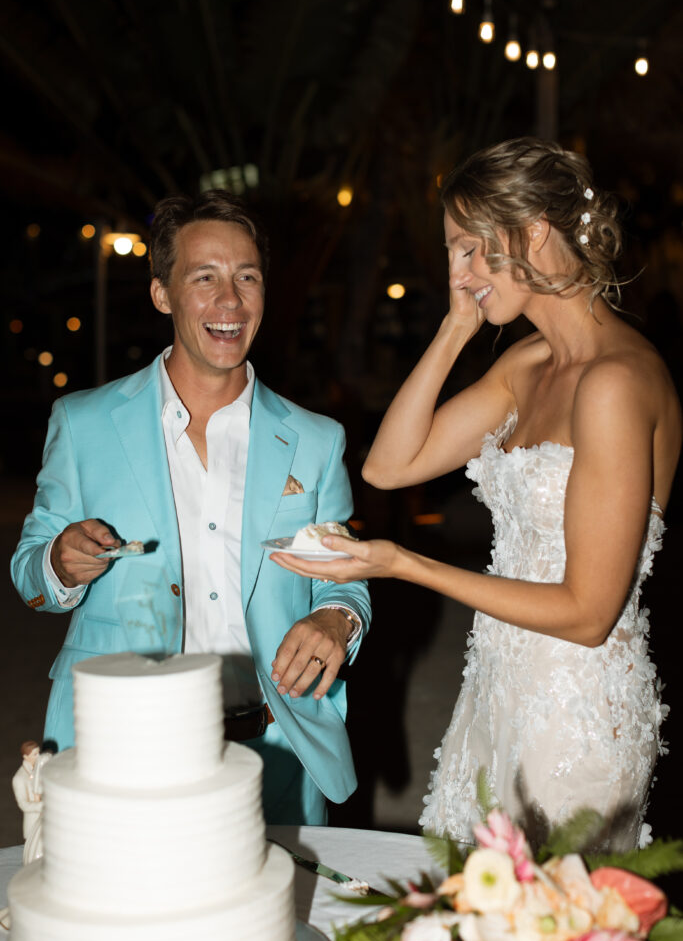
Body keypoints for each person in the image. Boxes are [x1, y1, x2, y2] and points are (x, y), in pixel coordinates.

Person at [270, 137, 681, 850]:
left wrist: (403, 564)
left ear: (530, 235)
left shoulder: (615, 382)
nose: (456, 273)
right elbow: (391, 467)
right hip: (497, 686)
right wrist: (456, 326)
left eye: (468, 249)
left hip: (574, 710)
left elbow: (587, 614)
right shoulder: (528, 364)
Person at [11, 190, 370, 825]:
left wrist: (336, 621)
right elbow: (31, 577)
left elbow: (346, 582)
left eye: (246, 278)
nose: (229, 301)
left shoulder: (316, 441)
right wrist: (60, 564)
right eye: (204, 278)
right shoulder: (85, 422)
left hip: (274, 745)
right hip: (123, 742)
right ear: (162, 294)